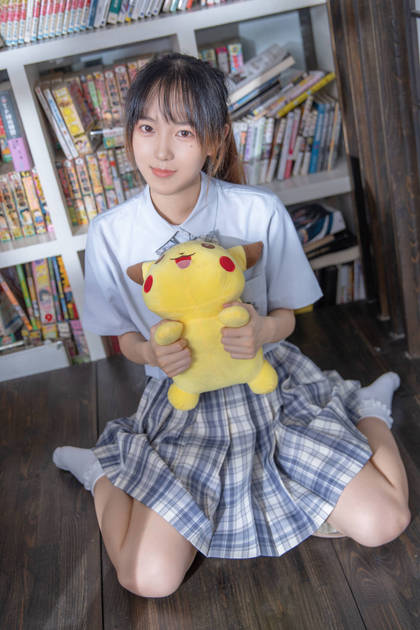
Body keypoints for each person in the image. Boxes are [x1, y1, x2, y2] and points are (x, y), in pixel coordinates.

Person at [53, 53, 410, 599]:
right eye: (147, 128)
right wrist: (150, 354)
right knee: (147, 580)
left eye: (183, 131)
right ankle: (103, 471)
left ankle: (367, 409)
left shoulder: (256, 210)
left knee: (387, 520)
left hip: (268, 387)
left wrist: (263, 331)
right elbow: (123, 337)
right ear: (129, 135)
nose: (161, 151)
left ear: (215, 140)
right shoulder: (109, 232)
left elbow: (288, 315)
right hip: (183, 403)